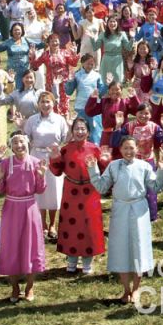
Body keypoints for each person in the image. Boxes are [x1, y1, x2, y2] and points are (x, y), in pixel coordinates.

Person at [90, 136, 163, 304]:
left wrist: (162, 170)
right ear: (120, 150)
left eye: (132, 148)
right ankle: (125, 289)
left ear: (137, 149)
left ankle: (136, 289)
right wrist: (92, 169)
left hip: (139, 209)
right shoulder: (114, 166)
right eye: (125, 148)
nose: (128, 151)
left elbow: (157, 187)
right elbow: (102, 187)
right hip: (120, 210)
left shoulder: (144, 166)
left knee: (138, 247)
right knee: (121, 248)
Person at [47, 117, 109, 275]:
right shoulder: (66, 149)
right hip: (71, 192)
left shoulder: (95, 149)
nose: (80, 132)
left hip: (90, 192)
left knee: (89, 226)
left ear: (88, 132)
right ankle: (72, 260)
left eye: (83, 129)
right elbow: (57, 171)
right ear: (72, 131)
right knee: (71, 225)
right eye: (77, 129)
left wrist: (106, 160)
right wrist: (54, 156)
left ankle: (87, 262)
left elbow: (104, 171)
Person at [0, 133, 48, 303]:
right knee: (11, 246)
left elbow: (40, 190)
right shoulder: (5, 163)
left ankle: (30, 286)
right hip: (11, 208)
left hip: (30, 208)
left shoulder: (35, 163)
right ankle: (15, 287)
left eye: (22, 142)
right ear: (11, 146)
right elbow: (1, 191)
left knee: (31, 245)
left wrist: (41, 175)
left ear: (28, 143)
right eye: (15, 142)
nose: (19, 145)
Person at [22, 91, 69, 241]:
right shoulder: (32, 120)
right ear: (38, 104)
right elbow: (26, 137)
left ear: (53, 103)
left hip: (54, 156)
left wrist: (70, 123)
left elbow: (66, 138)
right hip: (37, 156)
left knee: (54, 190)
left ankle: (53, 224)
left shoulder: (59, 120)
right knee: (40, 190)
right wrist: (20, 126)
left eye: (48, 101)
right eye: (42, 102)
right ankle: (42, 223)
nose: (45, 104)